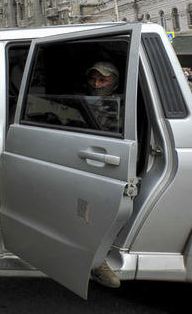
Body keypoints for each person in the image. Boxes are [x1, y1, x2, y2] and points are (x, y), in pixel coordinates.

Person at [83, 61, 123, 289]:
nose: (96, 84)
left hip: (109, 164)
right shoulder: (82, 101)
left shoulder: (121, 105)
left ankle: (99, 260)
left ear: (114, 82)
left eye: (102, 80)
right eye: (92, 79)